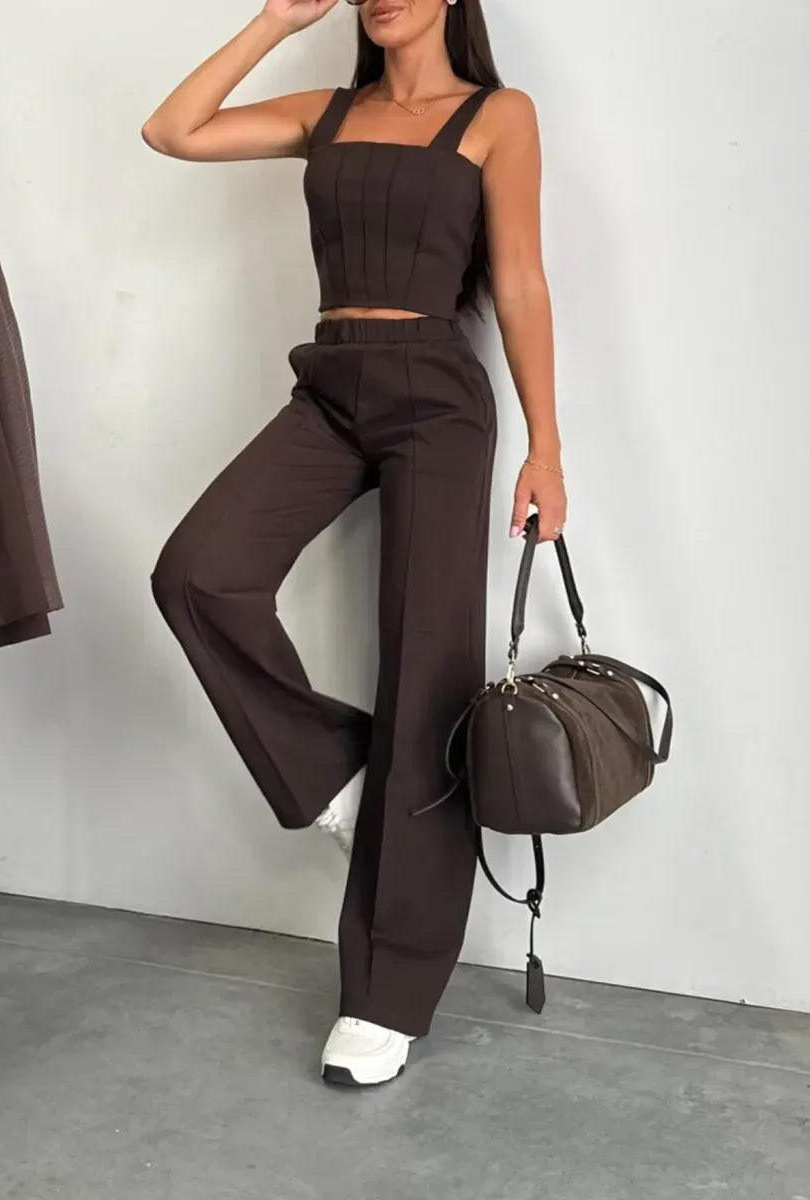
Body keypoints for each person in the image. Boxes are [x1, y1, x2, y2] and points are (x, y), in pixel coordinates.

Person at [143, 0, 567, 1087]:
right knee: (198, 573)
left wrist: (547, 448)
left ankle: (387, 995)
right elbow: (172, 131)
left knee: (426, 674)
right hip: (328, 386)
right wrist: (273, 21)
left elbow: (519, 279)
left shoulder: (498, 114)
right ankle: (340, 769)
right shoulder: (327, 111)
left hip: (439, 398)